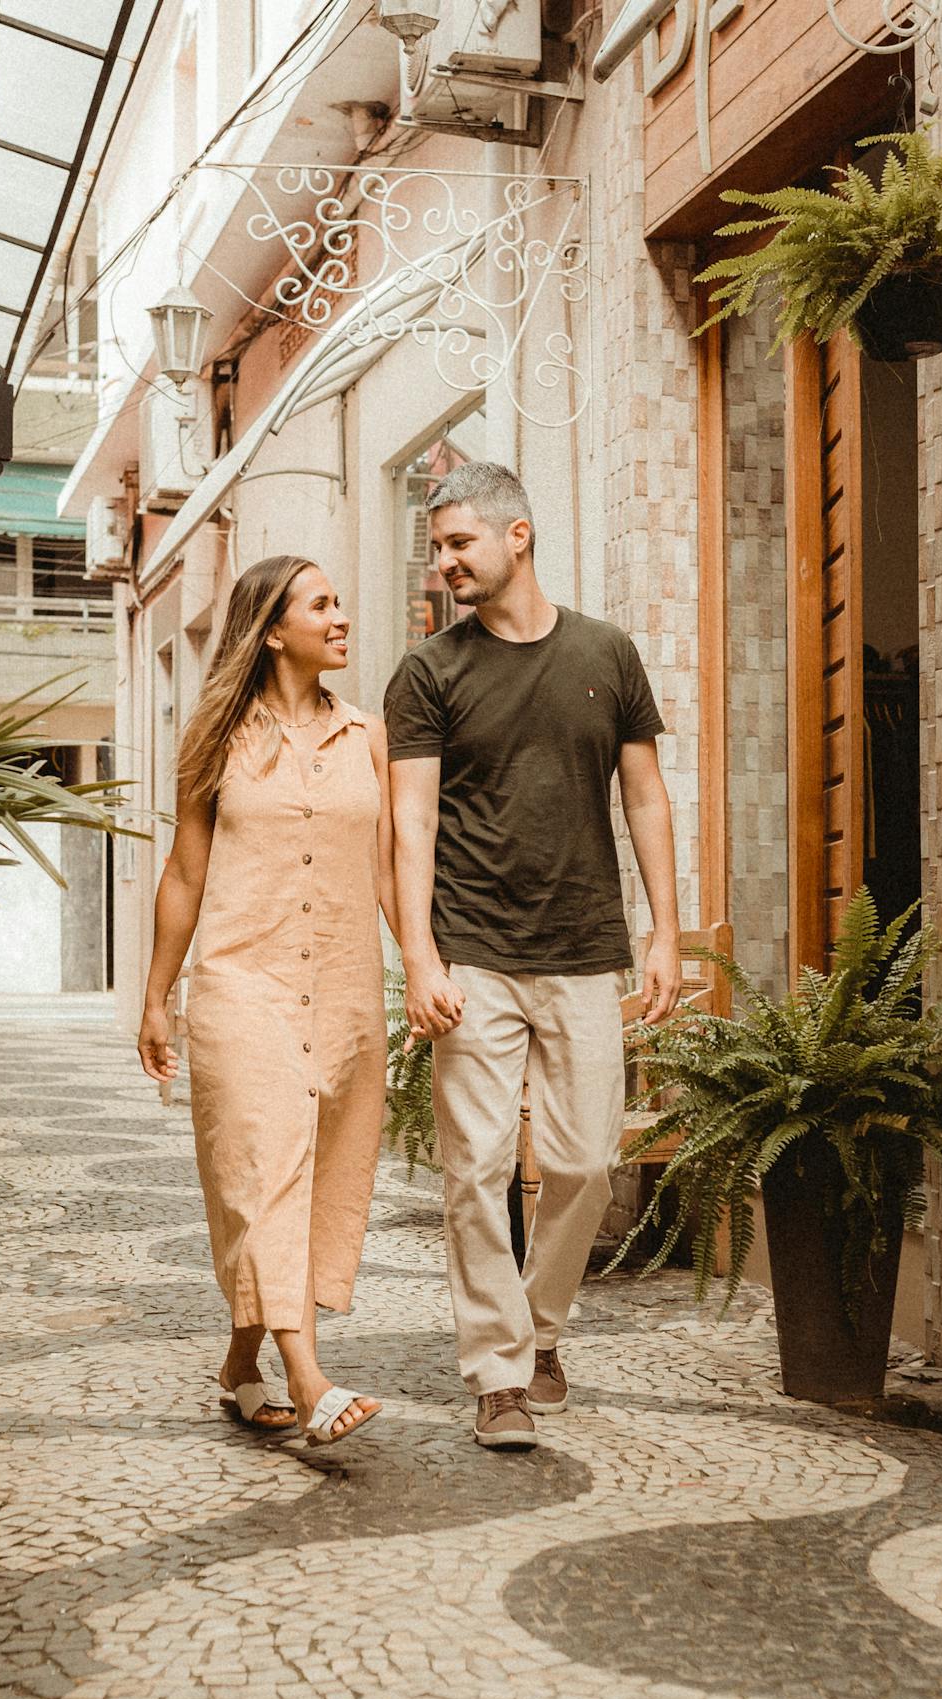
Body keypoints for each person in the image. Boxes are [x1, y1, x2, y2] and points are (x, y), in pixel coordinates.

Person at [384, 461, 682, 1451]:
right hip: (471, 953)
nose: (444, 564)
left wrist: (664, 932)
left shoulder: (606, 653)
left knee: (586, 1162)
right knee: (476, 1168)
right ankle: (500, 1375)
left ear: (518, 536)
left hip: (583, 947)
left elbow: (643, 796)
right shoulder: (429, 673)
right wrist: (419, 955)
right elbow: (410, 822)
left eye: (458, 543)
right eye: (438, 548)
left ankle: (537, 1327)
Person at [137, 555, 393, 1446]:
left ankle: (241, 1361)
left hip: (347, 988)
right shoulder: (217, 739)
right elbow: (184, 871)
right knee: (267, 1162)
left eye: (337, 600)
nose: (340, 616)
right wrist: (156, 996)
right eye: (321, 603)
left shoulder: (369, 734)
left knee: (316, 1178)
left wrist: (431, 965)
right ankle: (309, 1374)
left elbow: (392, 868)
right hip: (243, 984)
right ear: (273, 629)